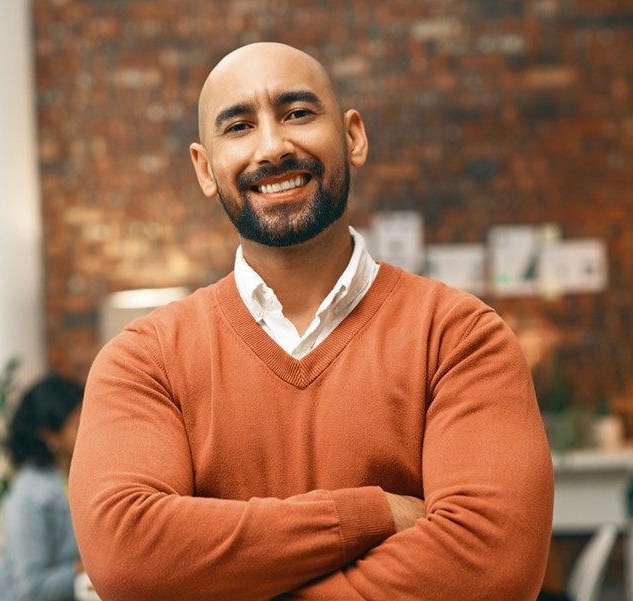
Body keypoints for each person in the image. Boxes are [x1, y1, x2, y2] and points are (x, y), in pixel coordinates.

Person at [69, 41, 553, 600]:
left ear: (353, 137)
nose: (272, 147)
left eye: (297, 113)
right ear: (205, 169)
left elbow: (493, 567)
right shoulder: (144, 360)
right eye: (239, 127)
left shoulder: (459, 337)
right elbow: (128, 558)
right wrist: (368, 513)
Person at [0, 375, 85, 601]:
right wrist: (90, 568)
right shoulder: (28, 497)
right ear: (48, 434)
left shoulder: (70, 477)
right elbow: (32, 589)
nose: (90, 430)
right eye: (77, 424)